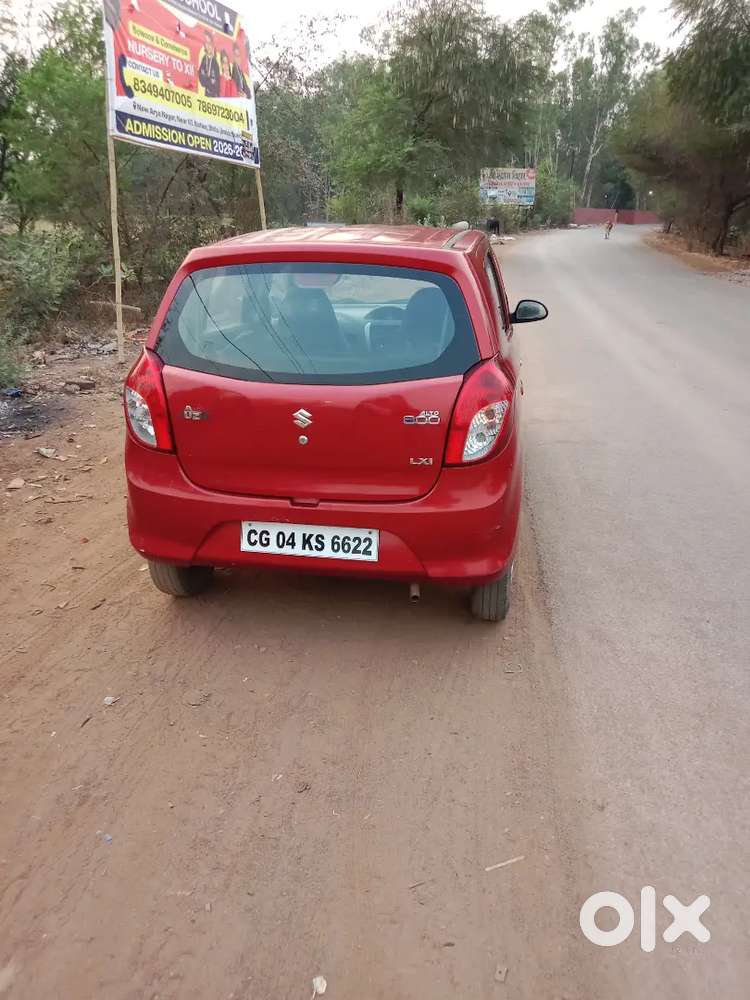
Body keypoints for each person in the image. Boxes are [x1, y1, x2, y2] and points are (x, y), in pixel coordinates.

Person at [198, 30, 220, 97]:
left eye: (210, 43)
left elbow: (216, 82)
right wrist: (206, 80)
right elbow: (201, 76)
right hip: (206, 94)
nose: (208, 45)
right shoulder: (204, 59)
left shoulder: (215, 62)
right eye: (206, 43)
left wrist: (209, 81)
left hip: (214, 96)